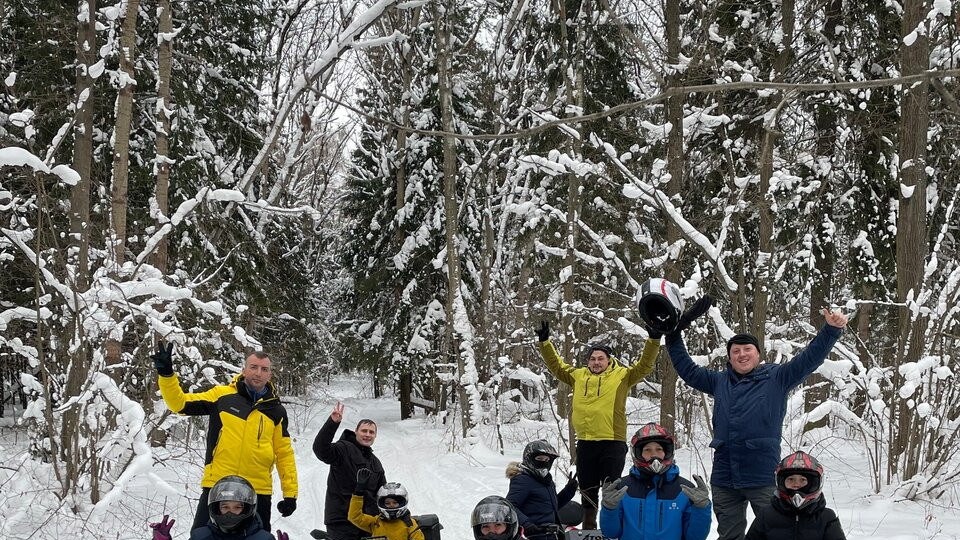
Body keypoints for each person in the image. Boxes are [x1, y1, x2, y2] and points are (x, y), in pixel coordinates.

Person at [665, 300, 847, 540]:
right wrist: (673, 336)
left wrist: (831, 331)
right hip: (725, 476)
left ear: (758, 354)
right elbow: (686, 369)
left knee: (776, 534)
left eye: (747, 349)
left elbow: (810, 359)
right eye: (735, 351)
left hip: (762, 475)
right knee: (730, 535)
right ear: (729, 358)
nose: (741, 354)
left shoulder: (778, 377)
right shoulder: (718, 381)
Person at [152, 343, 298, 532]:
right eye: (253, 367)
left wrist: (290, 494)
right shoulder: (222, 396)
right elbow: (179, 404)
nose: (258, 373)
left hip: (258, 489)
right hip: (218, 484)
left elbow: (284, 453)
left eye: (264, 369)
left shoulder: (276, 410)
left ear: (270, 375)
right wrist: (166, 375)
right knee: (201, 536)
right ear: (244, 370)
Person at [535, 321, 660, 529]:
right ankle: (590, 528)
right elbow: (556, 367)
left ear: (609, 360)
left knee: (612, 489)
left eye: (601, 358)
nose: (596, 362)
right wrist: (545, 342)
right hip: (585, 441)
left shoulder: (622, 376)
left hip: (612, 441)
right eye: (592, 359)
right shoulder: (578, 376)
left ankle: (613, 527)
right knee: (587, 489)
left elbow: (645, 365)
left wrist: (653, 340)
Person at [598, 423, 711, 540]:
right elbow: (610, 533)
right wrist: (609, 509)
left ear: (667, 452)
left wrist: (701, 508)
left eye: (659, 449)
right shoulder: (622, 488)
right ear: (638, 453)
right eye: (647, 450)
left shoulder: (685, 489)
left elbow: (695, 537)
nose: (654, 455)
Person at [313, 401, 387, 540]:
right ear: (356, 432)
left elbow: (383, 494)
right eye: (364, 431)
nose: (367, 434)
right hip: (342, 521)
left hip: (367, 523)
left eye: (371, 432)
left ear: (375, 436)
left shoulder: (375, 463)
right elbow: (320, 450)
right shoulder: (343, 449)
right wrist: (332, 423)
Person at [149, 476, 290, 540]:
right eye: (225, 507)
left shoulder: (263, 538)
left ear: (247, 509)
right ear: (216, 508)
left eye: (237, 507)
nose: (230, 512)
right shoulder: (201, 536)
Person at [745, 451, 846, 540]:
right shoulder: (766, 515)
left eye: (802, 480)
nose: (796, 484)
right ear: (781, 482)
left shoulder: (826, 517)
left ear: (813, 483)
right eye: (791, 479)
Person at [505, 440, 578, 540]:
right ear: (529, 458)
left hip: (551, 534)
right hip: (533, 535)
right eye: (539, 458)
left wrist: (569, 490)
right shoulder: (523, 480)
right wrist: (526, 524)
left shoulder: (545, 480)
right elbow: (509, 506)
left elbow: (550, 506)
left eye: (547, 459)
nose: (544, 462)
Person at [347, 471, 425, 540]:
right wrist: (359, 492)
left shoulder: (410, 524)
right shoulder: (376, 522)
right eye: (387, 503)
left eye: (395, 503)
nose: (391, 505)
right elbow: (354, 517)